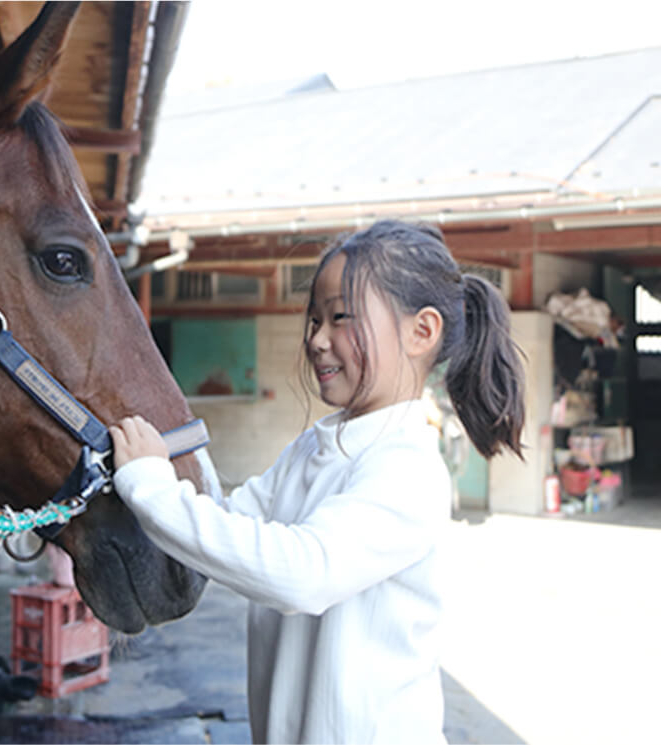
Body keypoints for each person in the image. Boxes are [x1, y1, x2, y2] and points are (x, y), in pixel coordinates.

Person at [108, 220, 525, 744]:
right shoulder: (315, 447)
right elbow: (227, 522)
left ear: (422, 331)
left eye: (341, 319)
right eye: (314, 319)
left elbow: (302, 572)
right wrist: (158, 475)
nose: (317, 340)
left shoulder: (407, 468)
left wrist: (151, 489)